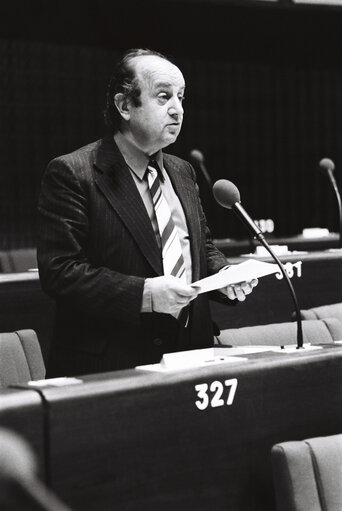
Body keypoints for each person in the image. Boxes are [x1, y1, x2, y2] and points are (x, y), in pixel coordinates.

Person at [37, 48, 258, 377]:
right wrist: (144, 295)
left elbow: (199, 247)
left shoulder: (182, 172)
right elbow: (61, 273)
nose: (177, 110)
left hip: (192, 355)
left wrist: (224, 277)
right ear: (125, 105)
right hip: (113, 365)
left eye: (182, 98)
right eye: (164, 97)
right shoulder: (73, 172)